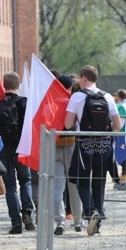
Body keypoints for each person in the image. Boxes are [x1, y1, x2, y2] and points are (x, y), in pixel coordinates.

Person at [64, 65, 122, 236]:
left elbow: (67, 124)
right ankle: (97, 223)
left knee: (80, 180)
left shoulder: (77, 97)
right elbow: (118, 125)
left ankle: (90, 212)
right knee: (99, 182)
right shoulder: (107, 96)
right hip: (104, 145)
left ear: (83, 78)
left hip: (84, 145)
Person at [0, 71, 34, 234]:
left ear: (4, 85)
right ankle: (27, 213)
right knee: (26, 181)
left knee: (10, 187)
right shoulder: (23, 103)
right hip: (21, 149)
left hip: (3, 151)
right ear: (18, 86)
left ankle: (16, 223)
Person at [52, 75, 83, 234]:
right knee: (74, 185)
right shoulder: (73, 101)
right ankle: (78, 221)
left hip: (55, 145)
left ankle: (60, 222)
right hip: (72, 144)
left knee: (57, 187)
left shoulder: (52, 101)